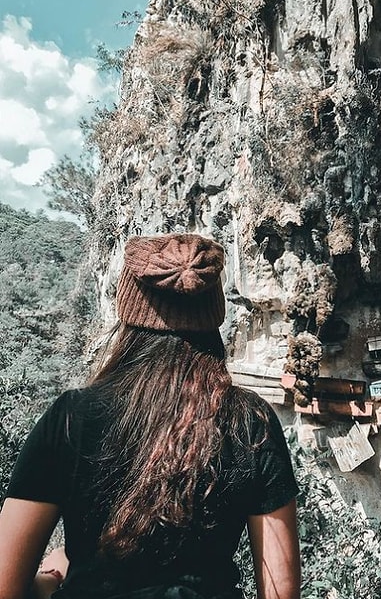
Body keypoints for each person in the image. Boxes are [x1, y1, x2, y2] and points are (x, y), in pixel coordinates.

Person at [0, 233, 301, 599]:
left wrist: (52, 580)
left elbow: (6, 586)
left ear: (128, 310)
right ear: (213, 314)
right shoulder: (251, 422)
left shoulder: (70, 419)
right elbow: (280, 593)